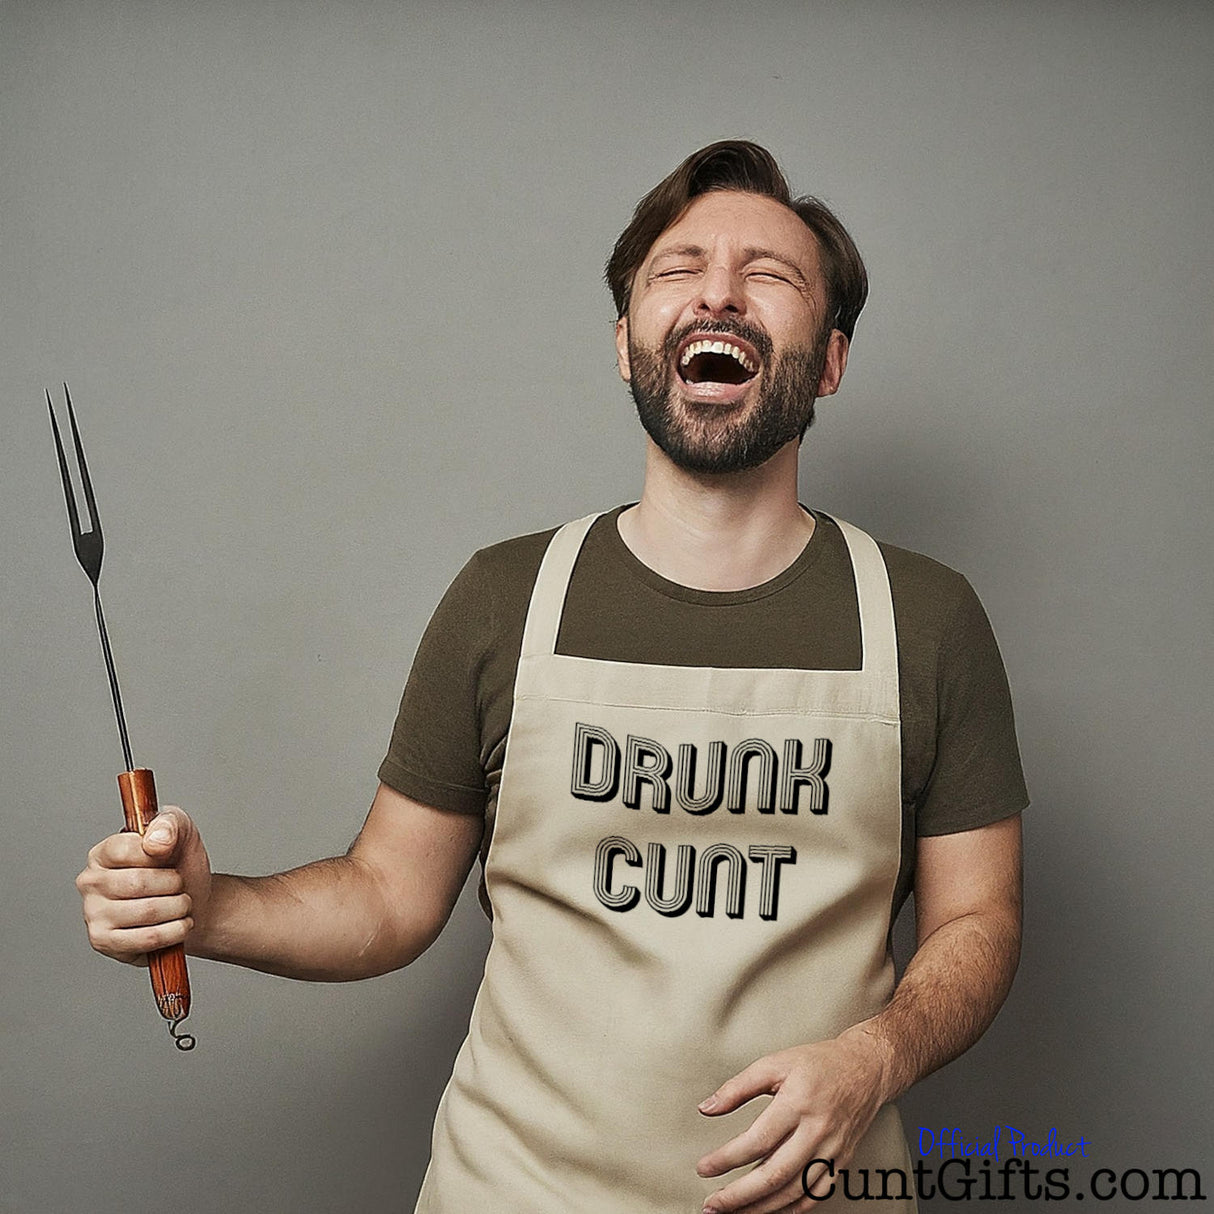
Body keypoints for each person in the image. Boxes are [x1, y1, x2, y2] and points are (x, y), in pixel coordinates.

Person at [76, 140, 1027, 1213]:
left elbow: (977, 920)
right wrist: (208, 909)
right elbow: (388, 894)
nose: (718, 289)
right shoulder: (503, 597)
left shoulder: (926, 618)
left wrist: (879, 1056)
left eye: (770, 273)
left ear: (829, 359)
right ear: (626, 344)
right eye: (677, 269)